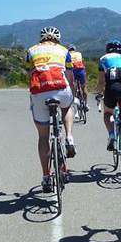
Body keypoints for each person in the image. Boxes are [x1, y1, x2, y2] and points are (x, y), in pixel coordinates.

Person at [26, 26, 77, 193]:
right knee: (68, 105)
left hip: (39, 92)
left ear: (41, 38)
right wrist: (73, 94)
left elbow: (30, 74)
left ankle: (46, 177)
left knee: (43, 137)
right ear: (58, 38)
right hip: (61, 90)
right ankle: (69, 137)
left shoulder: (31, 50)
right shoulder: (64, 51)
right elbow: (70, 77)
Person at [97, 39, 121, 154]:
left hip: (112, 88)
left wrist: (98, 93)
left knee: (107, 114)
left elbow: (101, 82)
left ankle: (112, 134)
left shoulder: (103, 58)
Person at [67, 45, 89, 112]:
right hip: (81, 71)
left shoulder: (67, 54)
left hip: (73, 71)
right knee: (84, 87)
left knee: (73, 86)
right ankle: (86, 104)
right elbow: (82, 63)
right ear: (74, 49)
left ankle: (74, 103)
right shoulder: (79, 54)